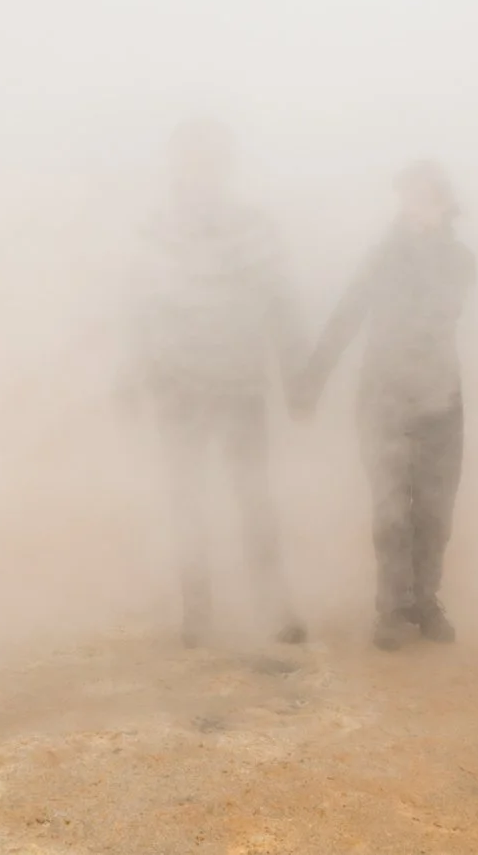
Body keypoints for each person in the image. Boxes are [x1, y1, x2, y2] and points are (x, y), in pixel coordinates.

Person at [117, 117, 308, 649]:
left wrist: (296, 376)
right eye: (192, 156)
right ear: (177, 162)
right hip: (177, 384)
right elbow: (136, 305)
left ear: (225, 163)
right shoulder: (156, 229)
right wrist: (130, 375)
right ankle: (197, 613)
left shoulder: (252, 225)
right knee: (187, 502)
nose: (202, 167)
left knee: (254, 498)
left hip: (240, 380)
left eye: (212, 156)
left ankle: (274, 610)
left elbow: (281, 300)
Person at [293, 159, 475, 651]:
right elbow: (346, 317)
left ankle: (426, 601)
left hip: (441, 398)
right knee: (392, 508)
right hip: (383, 399)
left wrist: (423, 244)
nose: (414, 206)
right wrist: (312, 379)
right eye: (407, 197)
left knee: (435, 511)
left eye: (425, 197)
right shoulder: (382, 258)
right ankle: (391, 609)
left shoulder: (459, 259)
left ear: (444, 202)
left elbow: (439, 310)